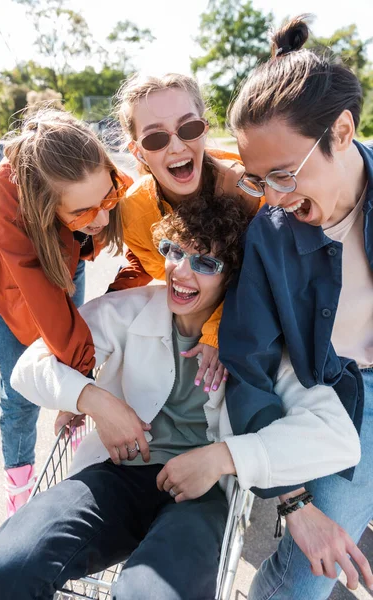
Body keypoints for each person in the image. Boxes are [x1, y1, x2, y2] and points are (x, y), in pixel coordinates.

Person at [0, 194, 365, 600]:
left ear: (233, 276)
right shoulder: (130, 309)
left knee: (149, 595)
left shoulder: (262, 346)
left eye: (206, 263)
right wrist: (95, 401)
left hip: (203, 496)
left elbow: (336, 436)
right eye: (174, 251)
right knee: (3, 568)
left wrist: (221, 457)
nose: (181, 271)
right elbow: (30, 366)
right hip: (118, 473)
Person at [220, 14, 373, 598]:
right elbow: (247, 364)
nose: (276, 199)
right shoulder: (272, 232)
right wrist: (296, 500)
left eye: (285, 174)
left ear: (341, 129)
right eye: (260, 180)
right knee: (309, 577)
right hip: (334, 402)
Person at [0, 107, 132, 516]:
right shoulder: (17, 204)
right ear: (44, 208)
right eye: (82, 213)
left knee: (67, 354)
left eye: (108, 198)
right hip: (9, 277)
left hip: (64, 256)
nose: (101, 218)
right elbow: (47, 309)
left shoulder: (89, 181)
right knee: (19, 392)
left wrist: (74, 389)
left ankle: (75, 457)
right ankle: (19, 495)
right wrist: (82, 388)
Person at [109, 72, 260, 391]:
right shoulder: (134, 212)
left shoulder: (249, 193)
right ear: (137, 151)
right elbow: (163, 275)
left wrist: (217, 331)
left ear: (205, 129)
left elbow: (259, 277)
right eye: (155, 138)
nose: (176, 146)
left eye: (188, 128)